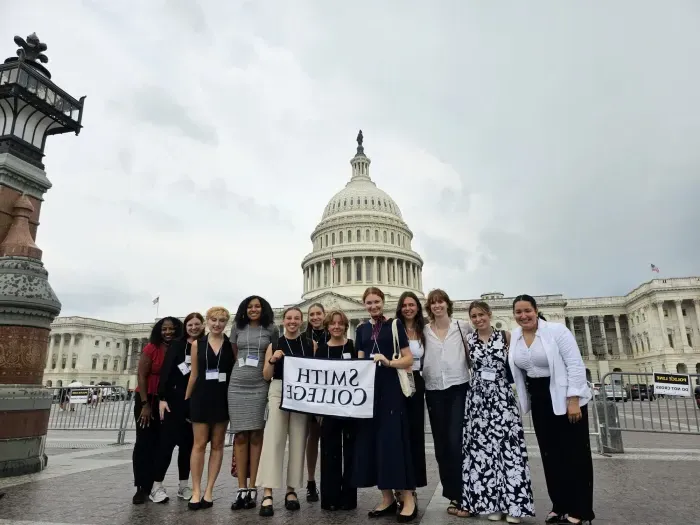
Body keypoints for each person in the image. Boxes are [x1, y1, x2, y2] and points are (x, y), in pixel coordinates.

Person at [509, 295, 594, 525]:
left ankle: (580, 510)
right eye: (518, 312)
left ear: (536, 310)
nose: (523, 316)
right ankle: (559, 505)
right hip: (539, 398)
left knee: (575, 454)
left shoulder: (557, 331)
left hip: (564, 395)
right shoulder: (516, 336)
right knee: (550, 455)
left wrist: (574, 399)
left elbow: (575, 364)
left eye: (527, 310)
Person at [462, 301, 535, 523]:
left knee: (509, 451)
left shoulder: (506, 337)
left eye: (481, 315)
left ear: (489, 315)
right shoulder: (469, 340)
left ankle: (515, 507)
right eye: (474, 316)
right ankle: (492, 504)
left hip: (502, 398)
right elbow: (469, 367)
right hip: (477, 400)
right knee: (484, 454)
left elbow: (518, 364)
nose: (478, 319)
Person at [353, 287, 417, 523]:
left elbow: (408, 358)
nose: (373, 306)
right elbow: (359, 362)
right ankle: (387, 497)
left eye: (376, 302)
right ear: (364, 305)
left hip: (391, 388)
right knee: (375, 443)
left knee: (395, 441)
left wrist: (388, 362)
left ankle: (408, 498)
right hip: (370, 392)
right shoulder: (361, 329)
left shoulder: (395, 325)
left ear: (383, 302)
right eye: (369, 303)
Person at [258, 307, 316, 517]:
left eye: (296, 319)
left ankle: (291, 490)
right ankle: (268, 491)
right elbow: (266, 376)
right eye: (289, 318)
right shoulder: (274, 344)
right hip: (279, 389)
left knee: (299, 440)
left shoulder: (310, 344)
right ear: (284, 321)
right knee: (273, 440)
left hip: (301, 393)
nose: (292, 322)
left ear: (302, 321)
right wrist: (273, 359)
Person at [422, 288, 472, 517]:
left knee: (456, 441)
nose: (437, 306)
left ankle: (465, 493)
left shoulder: (463, 327)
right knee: (442, 446)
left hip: (458, 387)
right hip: (433, 390)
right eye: (433, 303)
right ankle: (453, 493)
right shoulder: (424, 331)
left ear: (447, 304)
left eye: (440, 302)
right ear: (429, 307)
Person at [227, 296, 279, 510]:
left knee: (257, 434)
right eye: (250, 307)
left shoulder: (272, 329)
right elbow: (234, 353)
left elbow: (274, 354)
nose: (253, 309)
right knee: (240, 434)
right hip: (238, 382)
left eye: (257, 306)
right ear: (244, 309)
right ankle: (241, 488)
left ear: (263, 308)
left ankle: (253, 486)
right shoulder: (236, 327)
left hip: (260, 383)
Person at [185, 306, 236, 510]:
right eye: (213, 320)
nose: (217, 324)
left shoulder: (231, 346)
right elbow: (193, 374)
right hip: (201, 396)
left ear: (226, 323)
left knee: (217, 445)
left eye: (221, 321)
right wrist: (186, 400)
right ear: (207, 321)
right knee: (198, 445)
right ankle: (196, 490)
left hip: (222, 398)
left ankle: (209, 490)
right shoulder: (198, 344)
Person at [150, 312, 204, 503]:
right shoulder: (177, 345)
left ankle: (183, 485)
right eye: (190, 324)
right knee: (166, 444)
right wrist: (162, 397)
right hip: (174, 399)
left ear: (202, 325)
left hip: (195, 400)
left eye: (197, 324)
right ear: (186, 327)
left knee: (188, 446)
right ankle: (156, 485)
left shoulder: (205, 344)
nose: (194, 327)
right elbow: (166, 371)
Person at [131, 316, 183, 505]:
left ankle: (155, 485)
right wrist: (145, 404)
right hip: (148, 399)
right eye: (164, 329)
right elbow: (142, 375)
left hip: (167, 400)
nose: (168, 332)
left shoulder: (179, 348)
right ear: (159, 331)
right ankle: (140, 487)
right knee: (144, 442)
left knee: (163, 444)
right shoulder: (151, 348)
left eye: (172, 329)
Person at [316, 309, 357, 511]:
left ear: (345, 326)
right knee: (329, 453)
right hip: (329, 408)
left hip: (350, 409)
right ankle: (330, 497)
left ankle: (349, 498)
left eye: (340, 323)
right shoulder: (322, 350)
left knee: (350, 452)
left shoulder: (352, 346)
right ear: (327, 327)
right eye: (333, 324)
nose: (337, 327)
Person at [393, 292, 427, 509]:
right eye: (404, 305)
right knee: (396, 435)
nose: (408, 308)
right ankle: (398, 486)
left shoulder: (426, 330)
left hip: (417, 382)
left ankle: (411, 488)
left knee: (414, 435)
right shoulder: (392, 328)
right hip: (397, 383)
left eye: (412, 304)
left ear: (417, 307)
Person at [303, 302, 326, 503]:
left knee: (332, 438)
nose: (316, 317)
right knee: (313, 436)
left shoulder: (335, 333)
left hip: (333, 394)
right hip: (311, 394)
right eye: (312, 314)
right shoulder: (303, 339)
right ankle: (311, 481)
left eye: (319, 314)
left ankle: (330, 481)